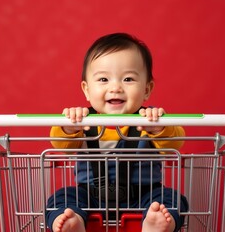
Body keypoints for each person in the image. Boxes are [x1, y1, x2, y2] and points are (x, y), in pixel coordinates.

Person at [46, 33, 188, 232]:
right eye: (103, 79)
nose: (115, 87)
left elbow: (175, 143)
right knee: (61, 197)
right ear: (86, 90)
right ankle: (72, 221)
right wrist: (68, 126)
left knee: (172, 199)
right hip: (90, 198)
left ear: (147, 89)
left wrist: (159, 127)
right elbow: (60, 143)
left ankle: (156, 223)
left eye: (128, 79)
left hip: (144, 196)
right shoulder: (82, 121)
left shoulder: (150, 119)